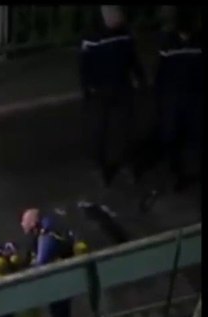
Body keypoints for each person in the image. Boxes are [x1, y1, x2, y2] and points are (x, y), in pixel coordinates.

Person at [141, 7, 202, 210]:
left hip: (185, 99)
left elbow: (161, 74)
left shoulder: (173, 43)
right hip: (180, 99)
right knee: (175, 138)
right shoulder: (179, 43)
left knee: (186, 139)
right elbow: (161, 75)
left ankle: (182, 173)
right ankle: (178, 173)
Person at [79, 6, 146, 187]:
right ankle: (101, 168)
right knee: (99, 131)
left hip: (121, 87)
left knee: (124, 129)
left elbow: (133, 59)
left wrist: (140, 79)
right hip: (101, 91)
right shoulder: (92, 38)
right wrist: (87, 89)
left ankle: (126, 164)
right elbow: (85, 67)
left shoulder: (124, 35)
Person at [21, 208, 79, 317]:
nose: (21, 224)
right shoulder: (47, 232)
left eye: (24, 221)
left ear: (33, 222)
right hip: (62, 284)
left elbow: (42, 263)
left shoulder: (47, 236)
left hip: (59, 287)